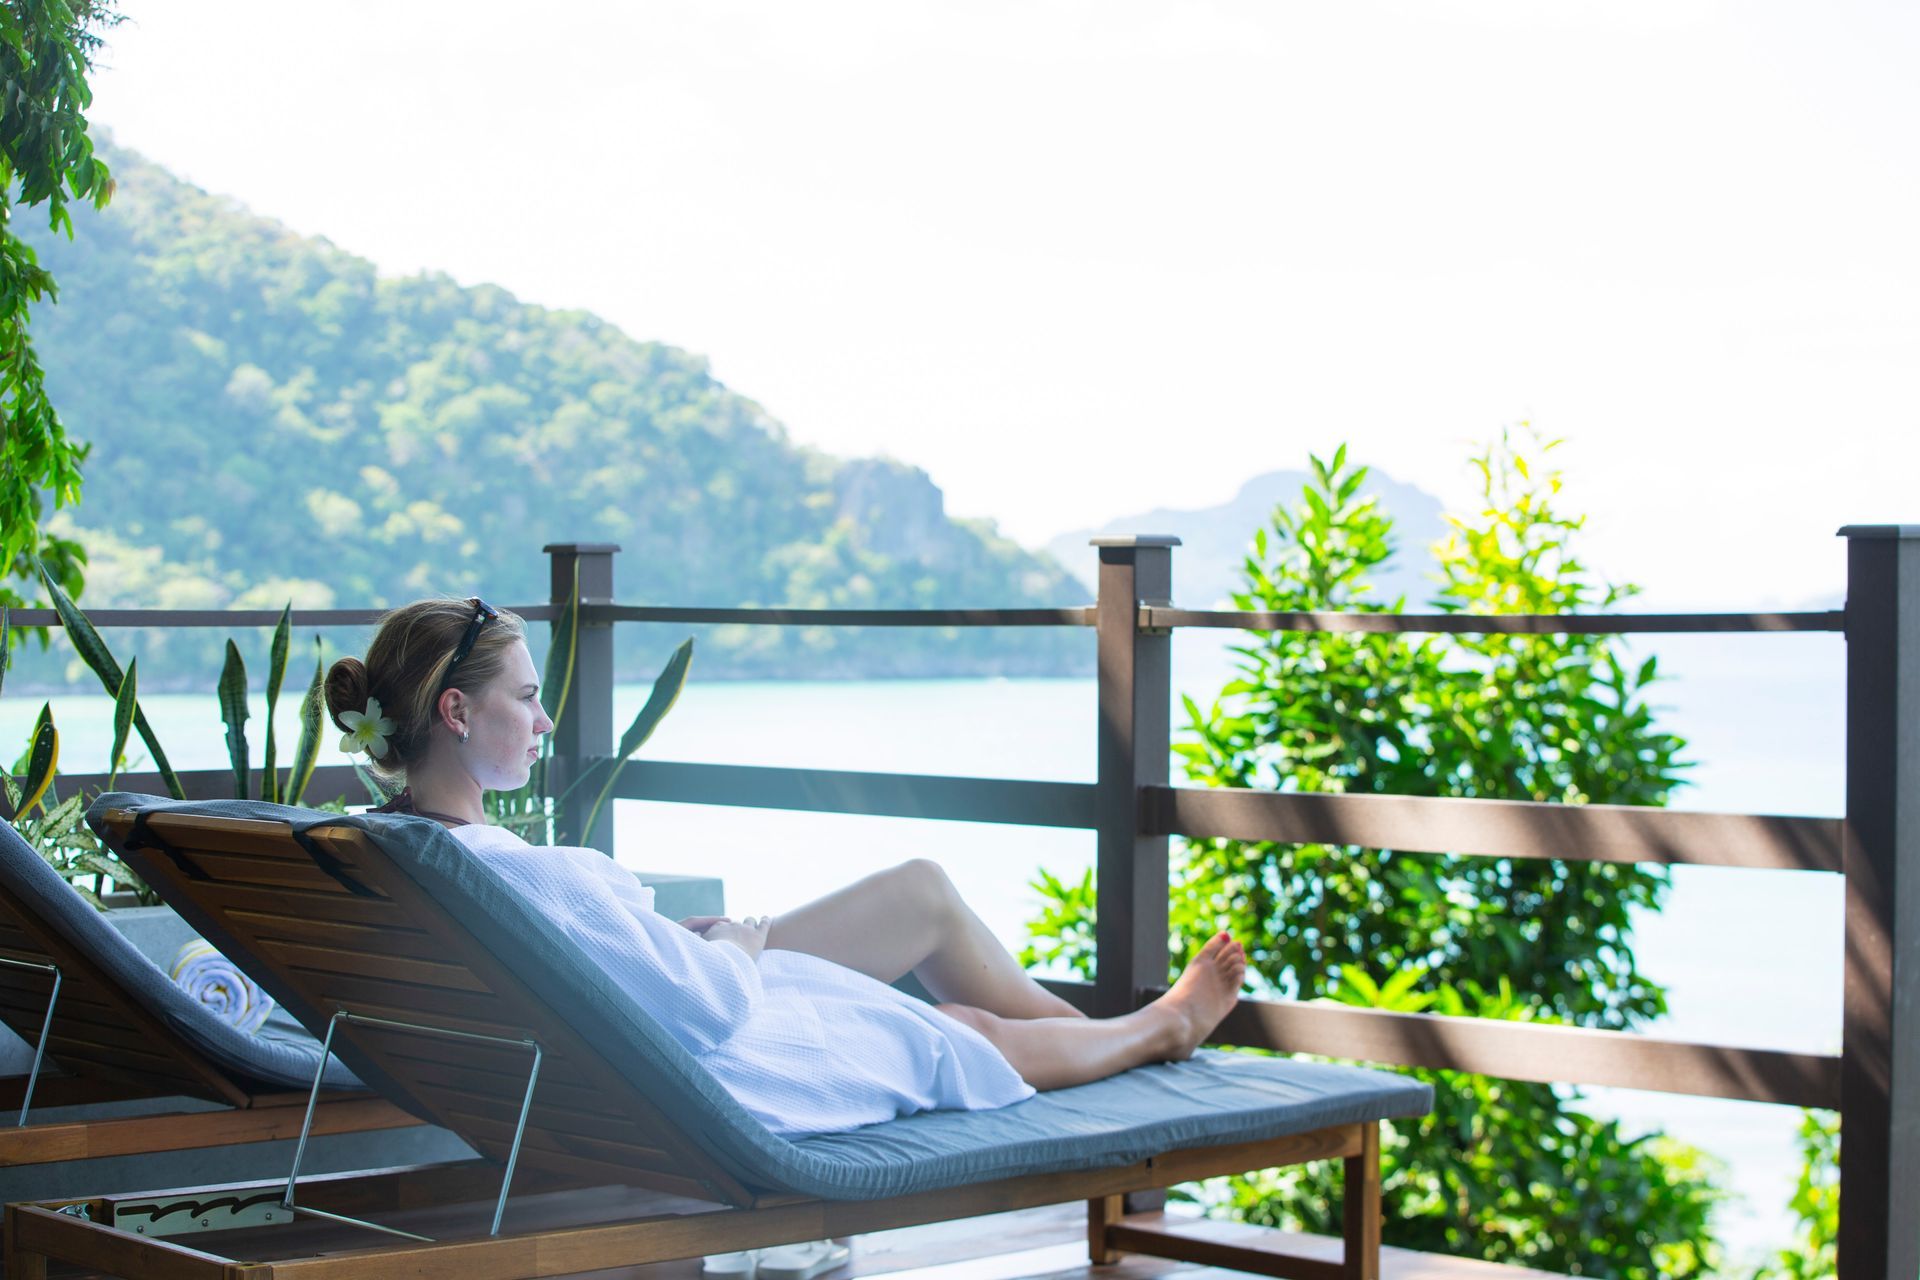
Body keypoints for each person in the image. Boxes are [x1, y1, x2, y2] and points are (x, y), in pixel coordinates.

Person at [323, 598, 1248, 1137]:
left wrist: (683, 944)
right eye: (526, 698)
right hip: (703, 1063)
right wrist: (734, 946)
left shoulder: (385, 846)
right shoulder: (511, 871)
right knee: (956, 1030)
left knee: (922, 901)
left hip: (623, 1036)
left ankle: (1115, 1043)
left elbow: (593, 969)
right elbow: (706, 1007)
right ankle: (1151, 1036)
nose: (545, 719)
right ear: (455, 712)